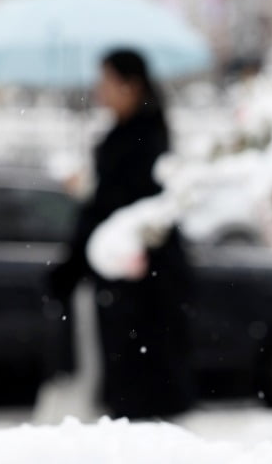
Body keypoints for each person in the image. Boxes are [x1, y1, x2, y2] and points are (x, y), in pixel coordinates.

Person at [47, 48, 195, 420]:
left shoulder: (138, 140)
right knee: (140, 391)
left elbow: (117, 210)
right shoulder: (137, 135)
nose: (99, 91)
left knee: (138, 392)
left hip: (138, 288)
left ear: (130, 86)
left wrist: (90, 198)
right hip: (138, 285)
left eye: (106, 82)